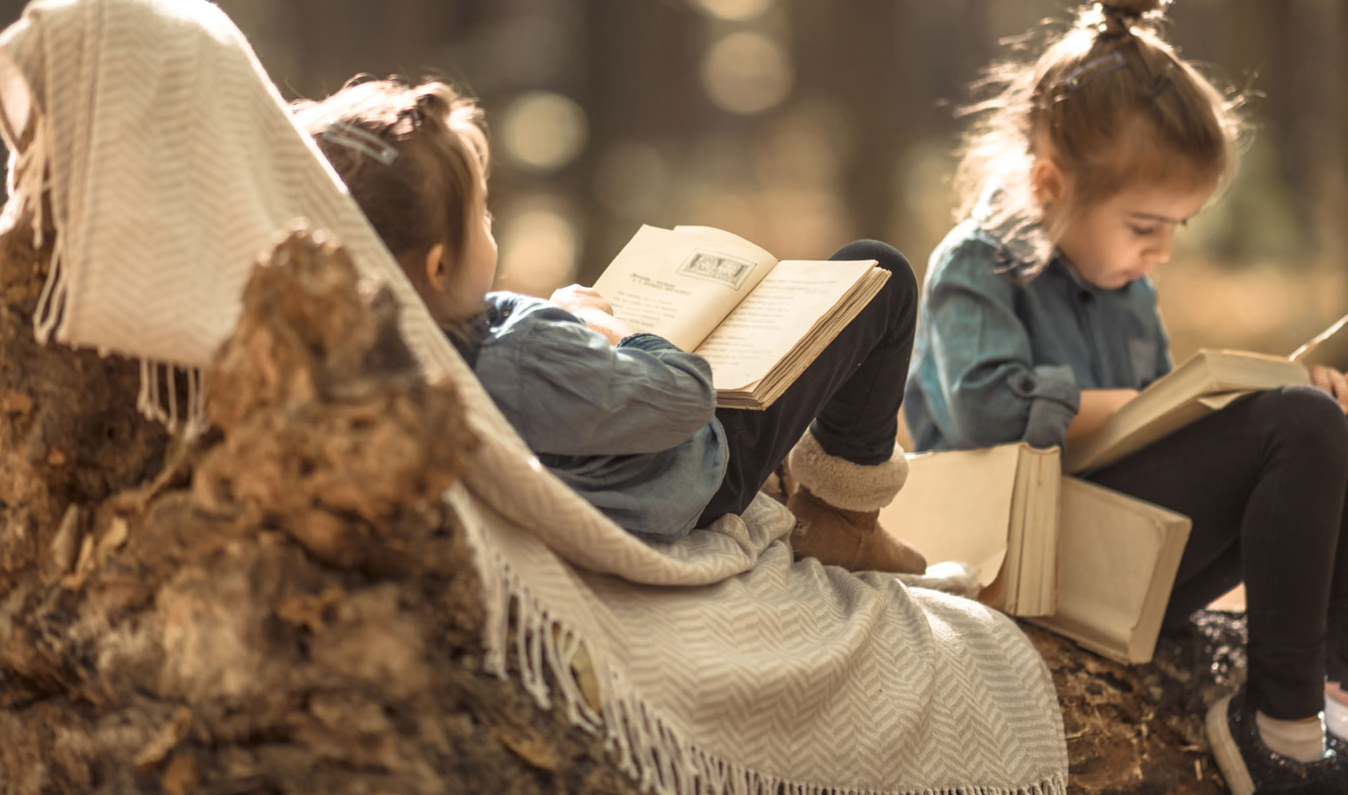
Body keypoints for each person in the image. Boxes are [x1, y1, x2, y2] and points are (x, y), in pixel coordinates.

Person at [903, 0, 1348, 795]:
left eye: (1177, 227)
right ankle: (1275, 723)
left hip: (1125, 545)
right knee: (1292, 420)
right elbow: (985, 410)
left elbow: (1159, 431)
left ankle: (1344, 707)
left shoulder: (1127, 287)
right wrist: (1239, 410)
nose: (1161, 253)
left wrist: (1271, 397)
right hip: (1030, 557)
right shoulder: (975, 266)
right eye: (1146, 226)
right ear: (1052, 186)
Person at [296, 77, 928, 574]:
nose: (493, 226)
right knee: (879, 275)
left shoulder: (367, 367)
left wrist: (559, 314)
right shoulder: (521, 359)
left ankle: (792, 480)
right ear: (438, 266)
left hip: (616, 443)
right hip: (701, 469)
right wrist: (625, 338)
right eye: (483, 215)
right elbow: (685, 397)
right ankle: (845, 520)